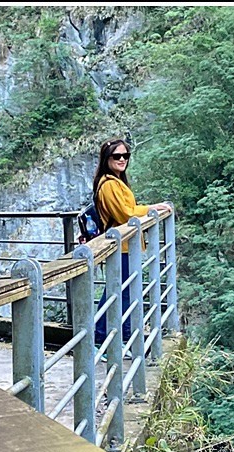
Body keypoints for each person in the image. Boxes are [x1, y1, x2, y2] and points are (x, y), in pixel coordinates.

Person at [92, 138, 172, 351]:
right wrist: (150, 208)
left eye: (125, 156)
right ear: (106, 158)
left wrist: (147, 208)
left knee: (122, 292)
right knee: (118, 293)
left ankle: (121, 339)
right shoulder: (108, 184)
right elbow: (125, 213)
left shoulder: (116, 181)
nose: (121, 159)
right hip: (121, 247)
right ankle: (102, 339)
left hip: (126, 246)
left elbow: (128, 209)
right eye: (116, 156)